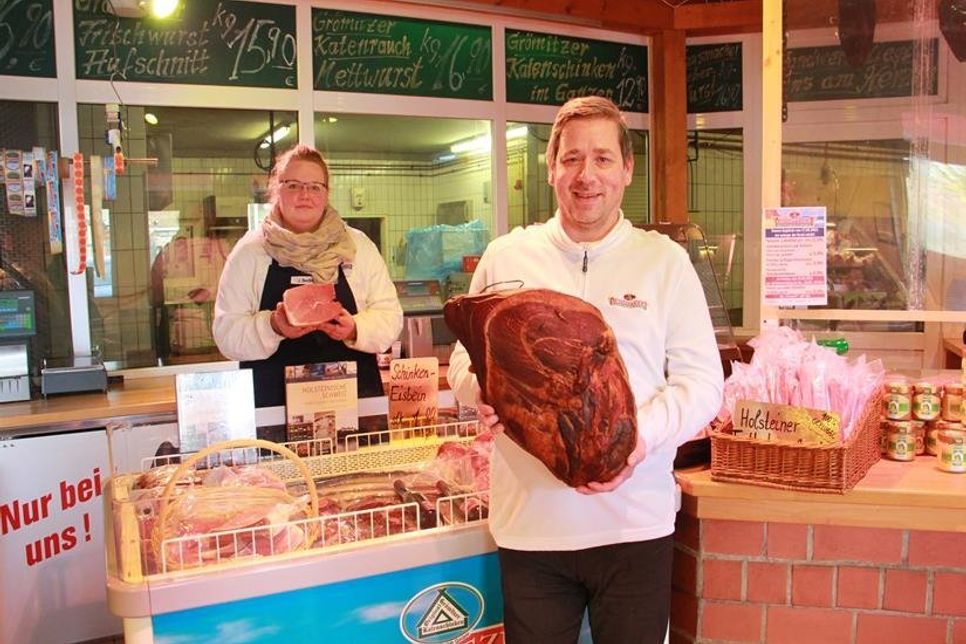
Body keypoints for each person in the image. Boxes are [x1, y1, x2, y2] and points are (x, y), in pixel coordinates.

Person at [447, 96, 724, 644]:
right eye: (571, 158)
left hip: (634, 522)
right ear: (551, 168)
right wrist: (478, 390)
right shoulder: (508, 256)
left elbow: (702, 383)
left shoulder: (663, 261)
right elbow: (463, 358)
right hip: (532, 528)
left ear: (626, 170)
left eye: (601, 158)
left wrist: (632, 442)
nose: (585, 175)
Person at [213, 144, 402, 407]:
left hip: (356, 403)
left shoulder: (358, 246)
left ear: (326, 193)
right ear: (277, 190)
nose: (305, 195)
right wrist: (273, 326)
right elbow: (226, 335)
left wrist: (355, 328)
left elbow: (390, 318)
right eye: (293, 185)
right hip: (273, 408)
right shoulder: (249, 252)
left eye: (315, 186)